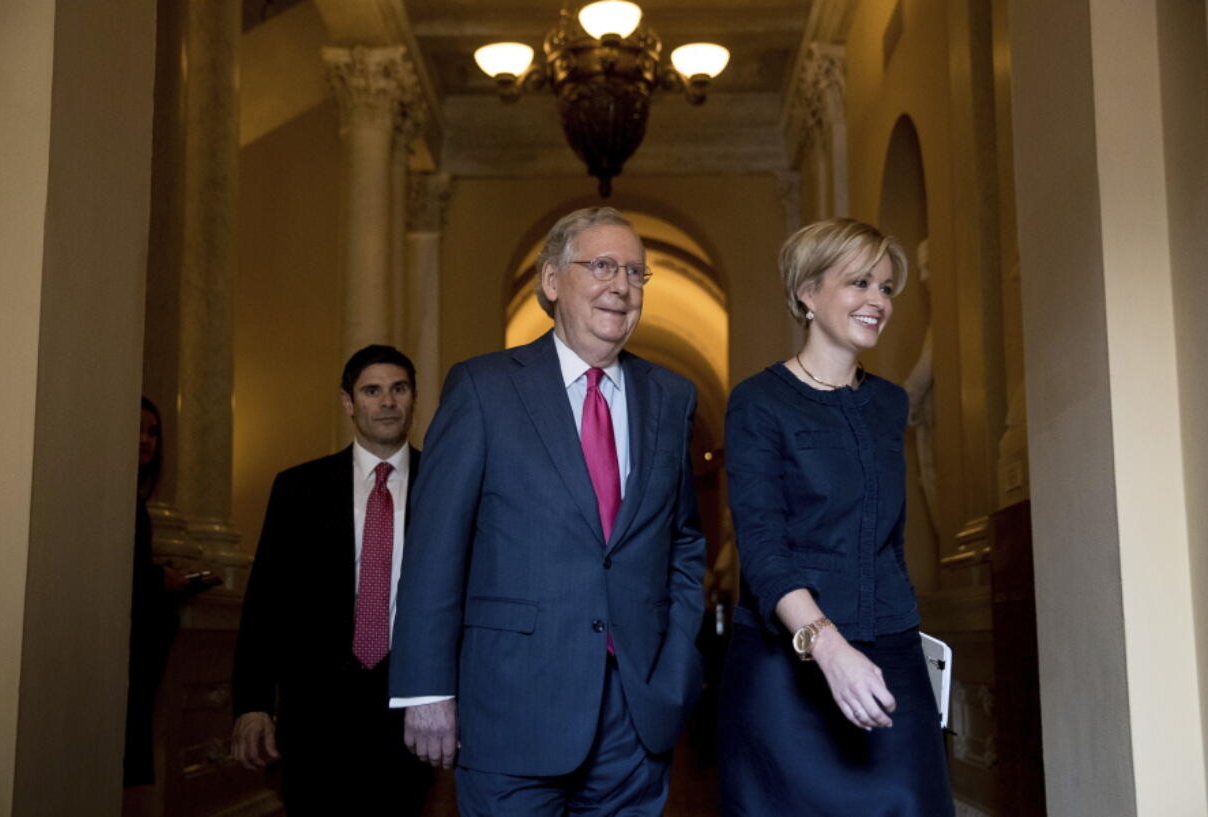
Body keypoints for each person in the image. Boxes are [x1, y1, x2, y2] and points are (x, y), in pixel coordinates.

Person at [388, 206, 707, 817]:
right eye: (604, 266)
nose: (622, 285)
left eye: (637, 273)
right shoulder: (483, 389)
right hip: (511, 708)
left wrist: (676, 664)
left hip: (635, 716)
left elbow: (684, 543)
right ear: (553, 280)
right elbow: (435, 548)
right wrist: (426, 688)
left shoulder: (671, 397)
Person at [719, 218, 954, 816]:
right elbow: (763, 545)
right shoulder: (758, 401)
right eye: (859, 283)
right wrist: (828, 647)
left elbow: (889, 543)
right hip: (785, 671)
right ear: (807, 293)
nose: (878, 301)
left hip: (890, 655)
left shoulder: (889, 403)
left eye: (885, 287)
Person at [231, 345, 432, 814]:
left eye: (398, 389)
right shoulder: (299, 488)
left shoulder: (445, 482)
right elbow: (265, 604)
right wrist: (253, 703)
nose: (386, 402)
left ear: (414, 398)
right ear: (348, 402)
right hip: (316, 714)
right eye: (371, 390)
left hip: (411, 712)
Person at [124, 397, 185, 799]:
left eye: (153, 432)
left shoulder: (135, 502)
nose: (146, 440)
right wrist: (155, 578)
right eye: (139, 429)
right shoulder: (117, 499)